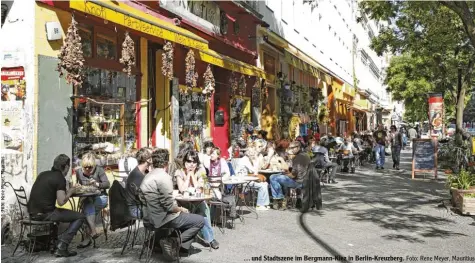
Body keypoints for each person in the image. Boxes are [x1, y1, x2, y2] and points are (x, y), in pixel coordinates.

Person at [141, 149, 205, 259]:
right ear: (166, 163)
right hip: (161, 219)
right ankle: (172, 242)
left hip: (148, 216)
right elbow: (169, 207)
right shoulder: (164, 178)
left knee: (186, 215)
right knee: (199, 220)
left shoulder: (147, 176)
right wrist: (180, 209)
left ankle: (175, 247)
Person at [27, 154, 85, 257]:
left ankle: (57, 241)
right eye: (69, 166)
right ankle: (62, 246)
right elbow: (61, 201)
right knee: (80, 216)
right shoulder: (59, 178)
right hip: (45, 214)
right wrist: (71, 191)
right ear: (66, 167)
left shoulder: (42, 174)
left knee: (59, 213)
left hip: (32, 213)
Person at [175, 151, 219, 249]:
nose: (191, 164)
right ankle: (210, 239)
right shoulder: (179, 172)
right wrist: (188, 177)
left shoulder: (200, 171)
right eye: (189, 161)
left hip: (198, 201)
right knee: (201, 213)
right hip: (184, 202)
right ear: (185, 162)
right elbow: (182, 189)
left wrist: (191, 174)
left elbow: (200, 187)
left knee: (202, 210)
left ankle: (210, 239)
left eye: (194, 162)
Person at [75, 153, 111, 248]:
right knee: (88, 204)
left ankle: (88, 238)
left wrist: (97, 184)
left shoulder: (99, 170)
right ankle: (93, 232)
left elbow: (107, 184)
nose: (87, 169)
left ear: (94, 165)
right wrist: (77, 186)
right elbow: (78, 185)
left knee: (86, 211)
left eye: (90, 167)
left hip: (101, 197)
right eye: (85, 167)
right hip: (86, 198)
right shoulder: (78, 172)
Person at [269, 141, 310, 210]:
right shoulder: (306, 155)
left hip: (298, 182)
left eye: (292, 148)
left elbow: (293, 176)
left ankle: (279, 199)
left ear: (298, 147)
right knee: (279, 177)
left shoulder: (297, 158)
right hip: (306, 180)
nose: (291, 150)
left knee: (273, 177)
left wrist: (286, 173)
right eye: (290, 148)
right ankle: (283, 199)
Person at [124, 147, 152, 218]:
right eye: (153, 156)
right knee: (163, 211)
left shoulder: (143, 171)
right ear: (149, 160)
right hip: (135, 209)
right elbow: (145, 196)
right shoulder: (137, 175)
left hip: (139, 206)